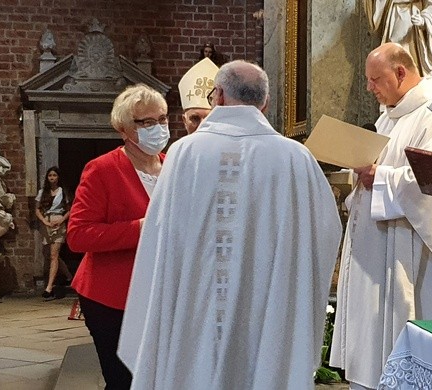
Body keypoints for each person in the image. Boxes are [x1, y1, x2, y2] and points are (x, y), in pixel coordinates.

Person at [118, 60, 342, 390]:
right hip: (267, 313)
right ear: (264, 103)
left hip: (197, 316)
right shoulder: (296, 158)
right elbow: (325, 232)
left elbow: (160, 239)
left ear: (218, 96)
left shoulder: (184, 154)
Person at [329, 42, 432, 390]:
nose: (370, 88)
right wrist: (361, 172)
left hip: (411, 259)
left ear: (400, 72)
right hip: (378, 256)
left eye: (375, 79)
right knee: (372, 359)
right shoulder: (389, 117)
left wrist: (378, 177)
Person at [67, 83, 168, 390]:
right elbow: (78, 235)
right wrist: (139, 228)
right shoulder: (102, 169)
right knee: (124, 380)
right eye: (146, 122)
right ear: (123, 129)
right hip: (112, 296)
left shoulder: (172, 165)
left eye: (162, 119)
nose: (159, 127)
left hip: (161, 294)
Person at [363, 0, 432, 76]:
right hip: (394, 17)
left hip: (413, 23)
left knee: (411, 64)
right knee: (393, 59)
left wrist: (425, 20)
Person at [35, 166, 72, 301]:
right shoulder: (42, 192)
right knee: (48, 254)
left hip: (58, 222)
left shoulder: (64, 193)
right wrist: (44, 221)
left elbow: (69, 209)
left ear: (58, 177)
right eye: (50, 175)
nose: (52, 178)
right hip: (46, 223)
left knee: (53, 255)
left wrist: (62, 220)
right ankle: (69, 276)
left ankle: (49, 287)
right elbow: (37, 210)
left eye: (54, 175)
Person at [178, 57, 218, 134]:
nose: (201, 126)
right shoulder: (179, 146)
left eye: (209, 119)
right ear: (184, 120)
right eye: (195, 119)